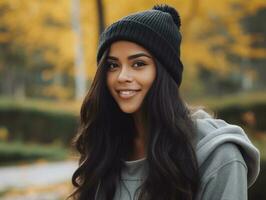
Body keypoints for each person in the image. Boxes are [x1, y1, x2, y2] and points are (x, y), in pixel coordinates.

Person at [69, 4, 260, 200]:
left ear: (164, 72)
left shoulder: (217, 155)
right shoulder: (105, 149)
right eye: (112, 65)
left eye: (138, 64)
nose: (122, 76)